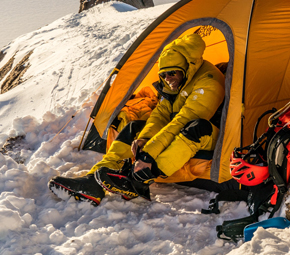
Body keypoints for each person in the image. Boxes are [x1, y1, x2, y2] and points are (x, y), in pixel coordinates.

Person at [48, 33, 226, 206]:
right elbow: (161, 115)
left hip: (211, 140)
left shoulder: (209, 82)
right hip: (182, 129)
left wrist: (148, 154)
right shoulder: (179, 82)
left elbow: (182, 121)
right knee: (135, 127)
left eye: (172, 73)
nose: (168, 79)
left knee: (195, 127)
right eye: (163, 75)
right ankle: (93, 181)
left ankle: (137, 181)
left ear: (187, 67)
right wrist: (144, 139)